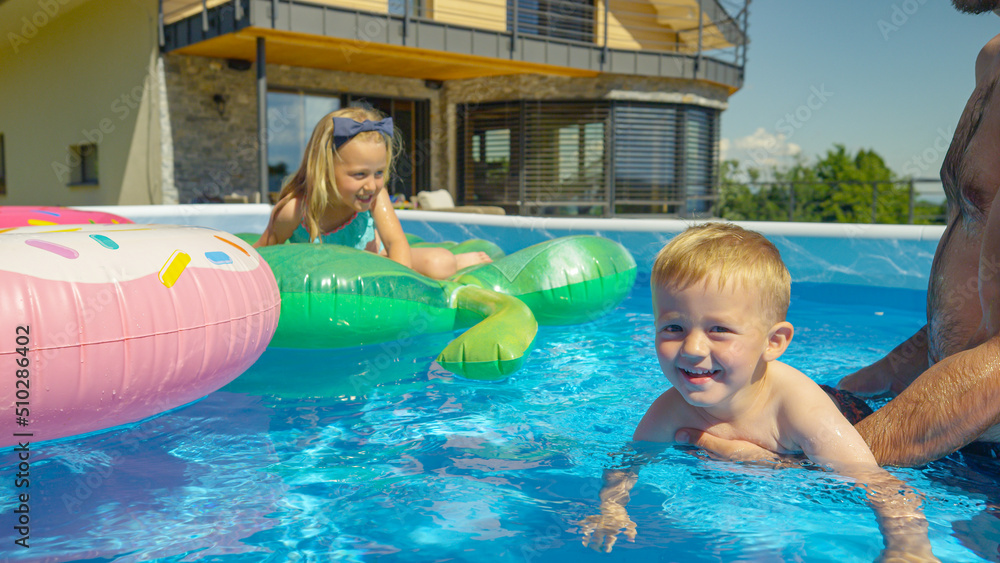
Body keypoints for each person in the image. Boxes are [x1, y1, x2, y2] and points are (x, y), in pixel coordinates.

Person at [678, 0, 1000, 468]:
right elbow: (978, 285)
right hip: (953, 431)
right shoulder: (991, 61)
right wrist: (883, 375)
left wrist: (808, 469)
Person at [580, 223, 935, 560]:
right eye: (673, 327)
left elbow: (880, 486)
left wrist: (909, 547)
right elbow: (629, 462)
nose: (692, 348)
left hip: (848, 412)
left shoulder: (798, 407)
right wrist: (612, 507)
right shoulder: (671, 409)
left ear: (773, 342)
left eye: (719, 329)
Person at [254, 106, 491, 280]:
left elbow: (395, 242)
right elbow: (262, 253)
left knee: (442, 263)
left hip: (373, 262)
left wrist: (399, 284)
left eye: (379, 173)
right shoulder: (295, 211)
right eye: (359, 175)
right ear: (324, 170)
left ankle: (459, 260)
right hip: (326, 272)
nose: (371, 185)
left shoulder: (376, 196)